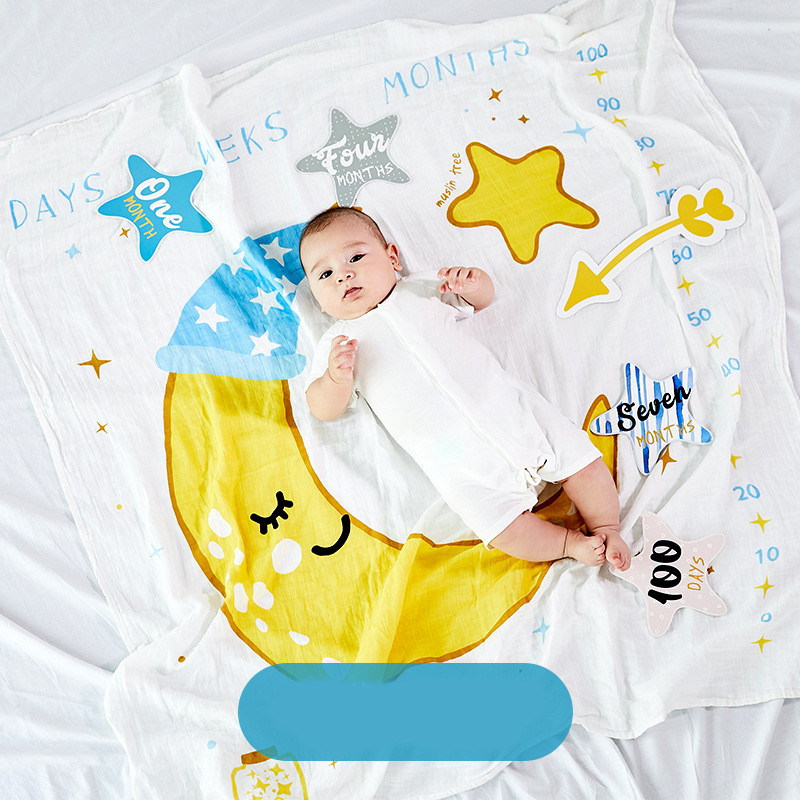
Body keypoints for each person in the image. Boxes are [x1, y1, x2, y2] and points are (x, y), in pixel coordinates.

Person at [300, 206, 631, 570]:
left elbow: (482, 299)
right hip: (460, 466)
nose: (343, 276)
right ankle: (568, 544)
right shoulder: (338, 344)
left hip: (514, 413)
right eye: (325, 274)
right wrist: (335, 379)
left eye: (355, 258)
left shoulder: (420, 289)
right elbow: (321, 407)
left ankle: (606, 526)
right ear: (319, 300)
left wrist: (474, 283)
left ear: (392, 257)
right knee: (501, 528)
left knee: (582, 461)